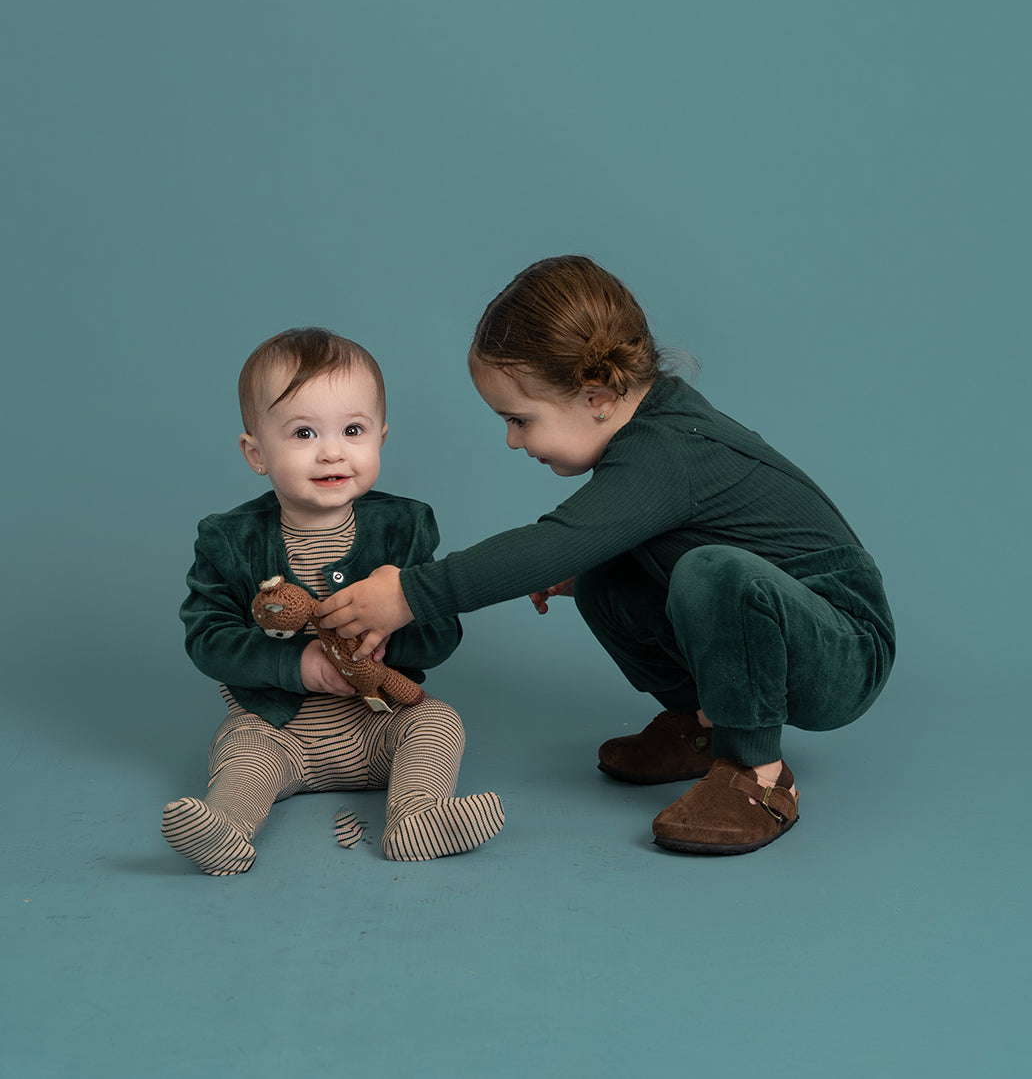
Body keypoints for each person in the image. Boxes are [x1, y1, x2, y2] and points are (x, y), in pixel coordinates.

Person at [317, 257, 895, 856]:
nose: (513, 440)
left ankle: (757, 775)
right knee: (603, 576)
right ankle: (703, 724)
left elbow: (552, 540)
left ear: (596, 397)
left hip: (844, 644)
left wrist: (411, 593)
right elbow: (628, 535)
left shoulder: (666, 449)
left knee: (710, 573)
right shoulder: (650, 425)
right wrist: (586, 564)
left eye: (520, 419)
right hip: (780, 621)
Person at [162, 327, 503, 876]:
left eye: (353, 429)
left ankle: (416, 817)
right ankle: (226, 827)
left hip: (377, 723)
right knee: (242, 751)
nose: (332, 451)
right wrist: (297, 663)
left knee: (438, 723)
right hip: (278, 729)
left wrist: (398, 624)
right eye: (302, 433)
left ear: (380, 439)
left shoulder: (406, 527)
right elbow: (207, 639)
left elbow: (443, 632)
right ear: (256, 452)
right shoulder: (229, 538)